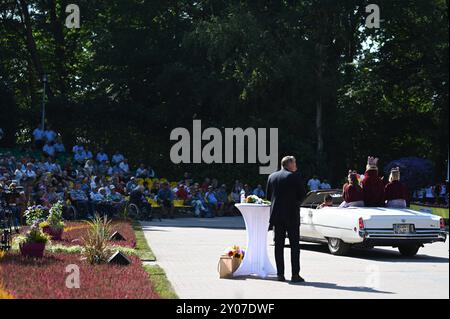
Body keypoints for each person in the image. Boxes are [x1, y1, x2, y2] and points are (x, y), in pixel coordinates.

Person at [266, 156, 306, 283]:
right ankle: (295, 275)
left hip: (277, 216)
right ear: (289, 164)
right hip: (291, 215)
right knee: (294, 245)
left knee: (279, 246)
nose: (296, 165)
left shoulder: (272, 176)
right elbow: (302, 195)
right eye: (295, 163)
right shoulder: (294, 176)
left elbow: (268, 196)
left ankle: (280, 274)